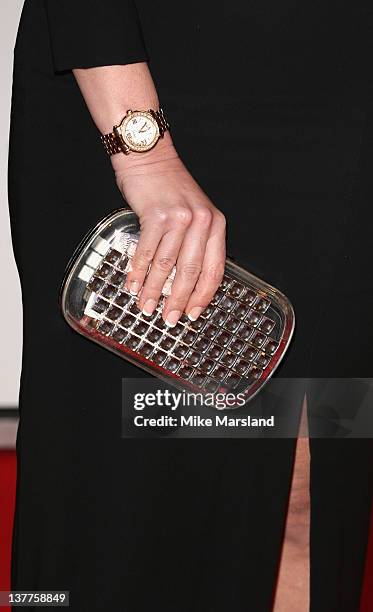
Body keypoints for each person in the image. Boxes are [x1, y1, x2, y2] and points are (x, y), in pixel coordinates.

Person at [8, 1, 373, 611]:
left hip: (344, 108)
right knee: (123, 491)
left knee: (306, 484)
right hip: (141, 86)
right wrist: (145, 155)